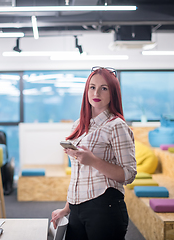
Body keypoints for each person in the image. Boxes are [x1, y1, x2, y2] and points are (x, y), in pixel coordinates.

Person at [51, 66, 137, 240]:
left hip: (105, 208)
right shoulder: (78, 125)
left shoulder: (116, 126)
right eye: (92, 87)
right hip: (77, 209)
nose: (96, 92)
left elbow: (128, 174)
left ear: (112, 93)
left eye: (104, 88)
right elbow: (79, 174)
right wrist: (66, 208)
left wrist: (93, 161)